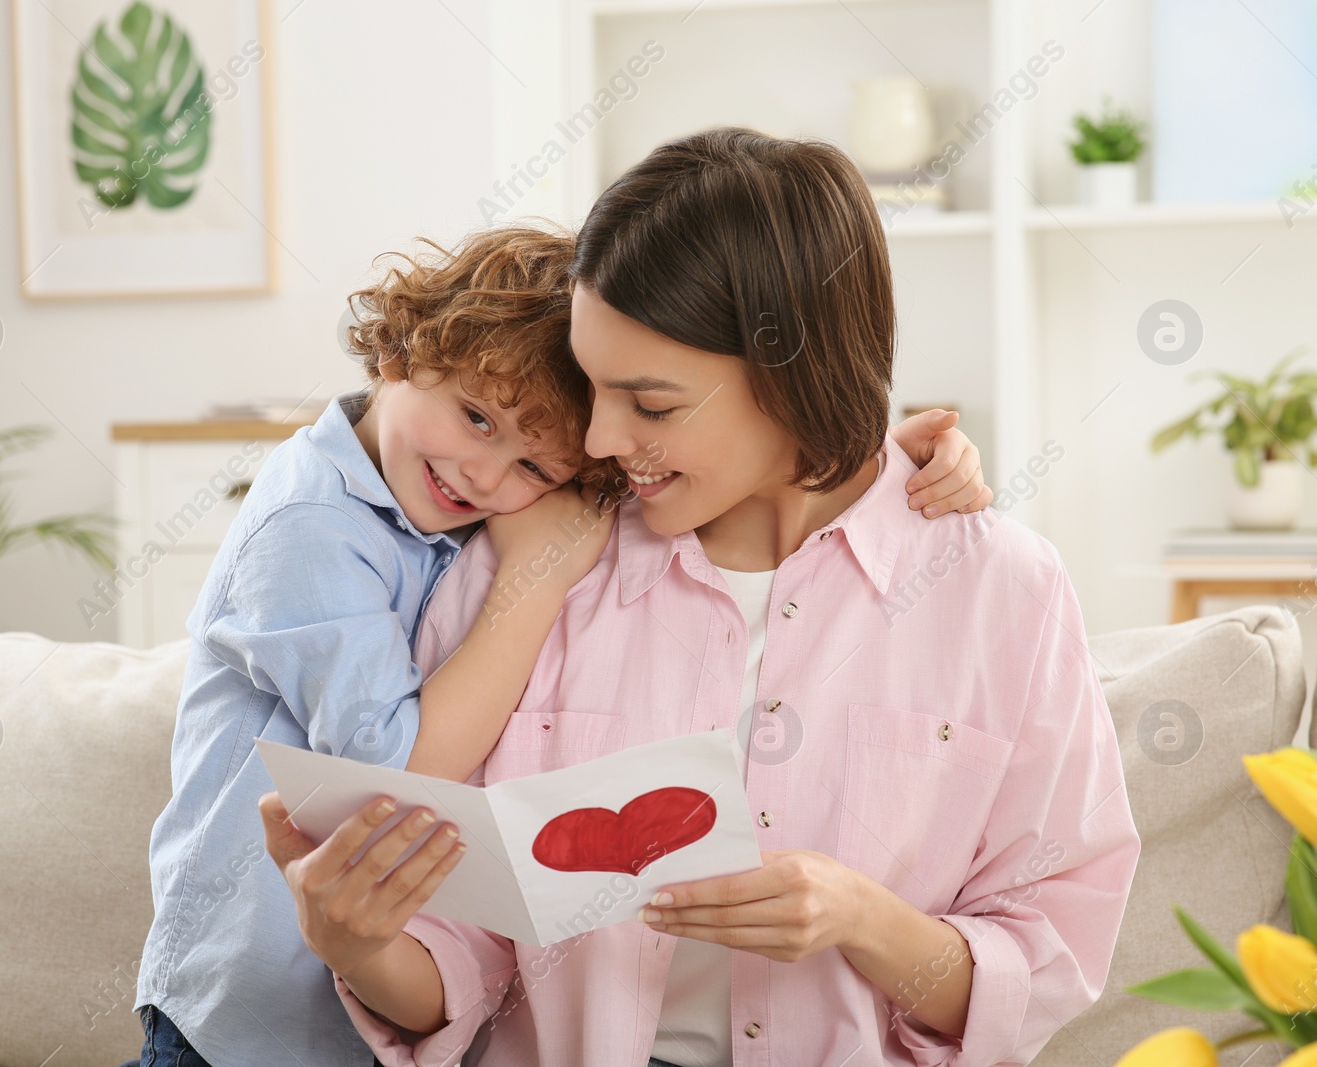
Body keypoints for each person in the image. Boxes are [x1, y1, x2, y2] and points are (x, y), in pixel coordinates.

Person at [263, 129, 1140, 1067]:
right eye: (592, 387)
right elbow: (468, 955)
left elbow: (1047, 957)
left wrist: (861, 918)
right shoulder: (537, 559)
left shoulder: (1001, 592)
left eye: (650, 404)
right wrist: (360, 945)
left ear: (792, 374)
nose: (598, 438)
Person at [133, 223, 992, 1066]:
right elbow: (399, 763)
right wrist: (537, 576)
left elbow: (692, 468)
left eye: (536, 470)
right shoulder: (309, 526)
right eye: (475, 418)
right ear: (399, 351)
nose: (485, 475)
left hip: (379, 1001)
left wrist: (873, 467)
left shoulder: (444, 498)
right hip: (246, 1013)